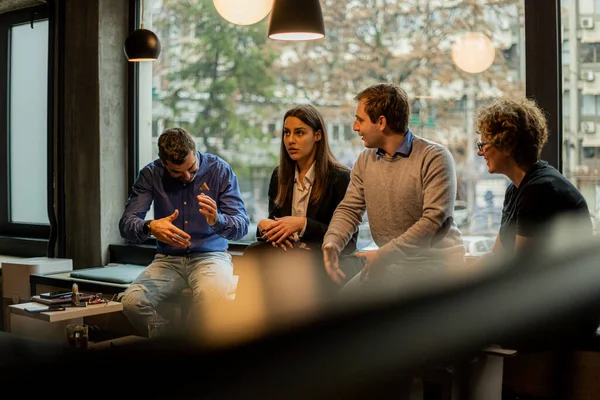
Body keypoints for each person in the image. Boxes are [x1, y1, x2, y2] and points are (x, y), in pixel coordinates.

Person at [322, 83, 465, 292]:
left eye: (360, 120)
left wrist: (384, 255)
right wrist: (332, 242)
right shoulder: (365, 159)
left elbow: (434, 220)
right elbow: (349, 209)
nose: (355, 127)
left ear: (381, 122)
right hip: (391, 263)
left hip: (436, 265)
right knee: (340, 309)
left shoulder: (434, 156)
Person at [119, 127, 249, 337]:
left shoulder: (219, 170)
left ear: (195, 151)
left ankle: (183, 350)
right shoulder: (151, 174)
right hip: (168, 260)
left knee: (211, 299)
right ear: (163, 163)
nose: (187, 176)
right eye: (177, 173)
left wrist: (218, 219)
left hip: (211, 257)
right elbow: (126, 225)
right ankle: (172, 344)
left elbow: (241, 226)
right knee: (132, 302)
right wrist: (149, 227)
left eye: (193, 169)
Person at [238, 104, 360, 306]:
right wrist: (264, 226)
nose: (291, 140)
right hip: (289, 255)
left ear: (318, 135)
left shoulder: (340, 177)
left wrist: (302, 225)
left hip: (320, 258)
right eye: (287, 133)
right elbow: (275, 223)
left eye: (300, 133)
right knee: (253, 252)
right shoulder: (280, 175)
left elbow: (349, 243)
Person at [474, 96, 592, 258]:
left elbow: (520, 269)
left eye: (483, 145)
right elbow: (497, 256)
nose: (480, 152)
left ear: (508, 145)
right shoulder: (516, 189)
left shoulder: (539, 191)